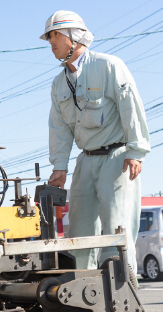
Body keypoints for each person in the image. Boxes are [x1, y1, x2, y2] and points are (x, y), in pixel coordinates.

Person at [42, 10, 151, 274]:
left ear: (73, 36)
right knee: (79, 229)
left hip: (117, 158)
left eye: (55, 35)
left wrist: (135, 151)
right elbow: (59, 128)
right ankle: (83, 291)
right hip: (85, 160)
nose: (51, 42)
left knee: (117, 225)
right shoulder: (59, 84)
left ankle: (123, 288)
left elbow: (131, 107)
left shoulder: (109, 66)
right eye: (49, 37)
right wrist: (59, 167)